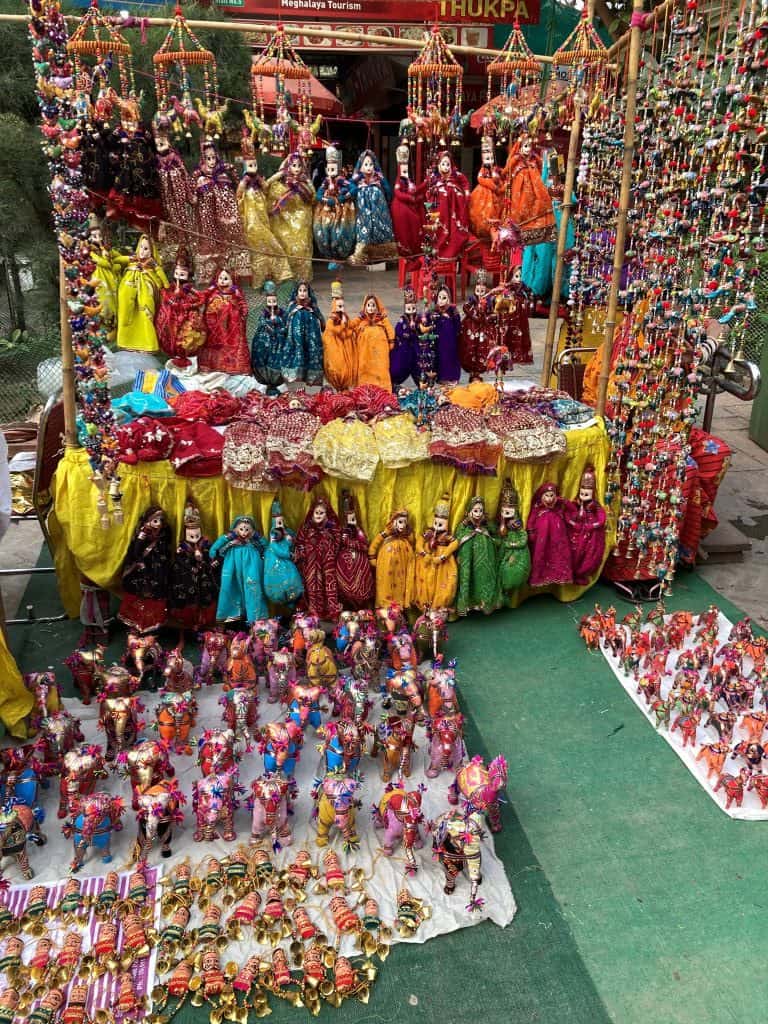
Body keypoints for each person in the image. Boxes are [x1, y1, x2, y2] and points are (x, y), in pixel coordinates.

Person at [236, 137, 292, 288]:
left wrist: (278, 174)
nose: (253, 167)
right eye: (250, 165)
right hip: (252, 224)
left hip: (263, 220)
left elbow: (267, 188)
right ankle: (259, 279)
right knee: (258, 250)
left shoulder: (259, 183)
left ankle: (277, 274)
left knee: (270, 246)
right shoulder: (244, 185)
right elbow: (238, 198)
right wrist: (243, 184)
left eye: (254, 164)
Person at [118, 506, 173, 632]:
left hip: (158, 569)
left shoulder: (163, 533)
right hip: (143, 569)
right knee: (141, 595)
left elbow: (167, 547)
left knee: (156, 594)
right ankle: (137, 622)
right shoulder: (143, 533)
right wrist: (140, 561)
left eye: (160, 520)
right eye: (155, 521)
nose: (158, 524)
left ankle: (153, 622)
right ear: (148, 521)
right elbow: (136, 550)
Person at [267, 151, 316, 281]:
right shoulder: (281, 185)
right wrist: (279, 174)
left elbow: (313, 196)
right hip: (284, 222)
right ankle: (286, 275)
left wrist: (307, 183)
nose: (297, 169)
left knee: (302, 247)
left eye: (299, 166)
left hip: (301, 220)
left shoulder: (304, 182)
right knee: (284, 246)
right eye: (294, 165)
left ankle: (301, 277)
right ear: (288, 166)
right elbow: (266, 186)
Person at [210, 515, 268, 624]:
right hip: (233, 567)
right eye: (241, 529)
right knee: (231, 588)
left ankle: (256, 621)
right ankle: (231, 620)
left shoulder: (253, 542)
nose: (244, 532)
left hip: (252, 567)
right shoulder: (231, 541)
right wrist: (228, 537)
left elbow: (266, 546)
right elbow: (216, 547)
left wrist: (257, 536)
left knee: (253, 589)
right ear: (236, 529)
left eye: (247, 529)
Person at [168, 501, 217, 630]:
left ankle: (205, 620)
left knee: (207, 594)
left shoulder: (205, 542)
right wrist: (190, 565)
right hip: (188, 574)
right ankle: (190, 622)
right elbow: (179, 559)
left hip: (204, 573)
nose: (195, 538)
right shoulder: (183, 546)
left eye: (197, 535)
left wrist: (208, 560)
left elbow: (211, 554)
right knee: (188, 596)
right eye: (191, 535)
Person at [116, 234, 169, 353]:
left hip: (146, 295)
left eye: (146, 249)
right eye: (141, 247)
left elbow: (164, 283)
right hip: (128, 295)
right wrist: (129, 259)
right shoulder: (132, 263)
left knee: (145, 314)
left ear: (152, 252)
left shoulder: (152, 267)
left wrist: (154, 266)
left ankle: (148, 344)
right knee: (125, 314)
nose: (142, 252)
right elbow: (116, 260)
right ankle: (125, 341)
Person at [294, 496, 342, 620]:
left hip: (328, 562)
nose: (319, 515)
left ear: (326, 514)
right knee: (312, 585)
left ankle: (332, 611)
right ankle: (315, 611)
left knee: (330, 584)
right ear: (312, 513)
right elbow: (299, 542)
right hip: (311, 563)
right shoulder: (306, 527)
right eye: (317, 512)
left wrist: (331, 553)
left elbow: (338, 542)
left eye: (322, 513)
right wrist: (303, 554)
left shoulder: (332, 528)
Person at [348, 149, 398, 265]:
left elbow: (388, 191)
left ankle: (384, 253)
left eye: (371, 164)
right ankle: (362, 254)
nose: (369, 167)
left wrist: (387, 199)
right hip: (363, 212)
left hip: (378, 210)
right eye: (366, 164)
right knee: (363, 230)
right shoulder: (357, 179)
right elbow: (350, 188)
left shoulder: (379, 178)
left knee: (382, 228)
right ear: (361, 166)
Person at [199, 268, 250, 375]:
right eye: (220, 278)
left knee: (230, 348)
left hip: (232, 330)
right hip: (214, 329)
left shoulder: (236, 294)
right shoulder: (213, 292)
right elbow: (202, 298)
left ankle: (233, 367)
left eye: (226, 279)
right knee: (213, 348)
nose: (222, 281)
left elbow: (243, 309)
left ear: (233, 281)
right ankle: (211, 366)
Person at [414, 493, 459, 613]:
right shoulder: (428, 532)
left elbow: (455, 543)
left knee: (442, 583)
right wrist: (424, 553)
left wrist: (444, 556)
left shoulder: (446, 536)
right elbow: (419, 542)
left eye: (441, 524)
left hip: (442, 563)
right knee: (426, 582)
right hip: (428, 560)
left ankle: (438, 607)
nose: (437, 527)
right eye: (436, 523)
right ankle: (426, 607)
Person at [456, 496, 500, 616]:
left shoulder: (487, 523)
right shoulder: (464, 524)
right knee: (468, 577)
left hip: (485, 559)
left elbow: (496, 535)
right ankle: (468, 604)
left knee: (484, 579)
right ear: (469, 511)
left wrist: (486, 532)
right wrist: (471, 533)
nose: (478, 514)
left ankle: (484, 603)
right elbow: (458, 536)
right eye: (475, 511)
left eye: (480, 511)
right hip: (469, 558)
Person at [564, 466, 607, 586]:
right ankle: (572, 573)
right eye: (582, 493)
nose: (583, 495)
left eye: (586, 493)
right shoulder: (576, 503)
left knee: (588, 553)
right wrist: (572, 523)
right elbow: (567, 514)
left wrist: (593, 525)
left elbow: (602, 518)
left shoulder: (595, 505)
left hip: (589, 533)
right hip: (576, 532)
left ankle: (581, 573)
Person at [424, 151, 471, 260]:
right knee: (438, 224)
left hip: (454, 206)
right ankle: (438, 248)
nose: (445, 167)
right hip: (440, 207)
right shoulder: (435, 177)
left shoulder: (455, 175)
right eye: (443, 164)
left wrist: (466, 193)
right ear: (439, 165)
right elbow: (428, 187)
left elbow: (465, 182)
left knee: (454, 227)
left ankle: (452, 249)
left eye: (448, 164)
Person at [526, 482, 573, 587]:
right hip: (542, 540)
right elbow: (531, 520)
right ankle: (540, 578)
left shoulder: (558, 506)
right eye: (546, 496)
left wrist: (562, 500)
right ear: (541, 496)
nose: (549, 499)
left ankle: (559, 577)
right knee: (541, 555)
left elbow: (572, 509)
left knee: (558, 556)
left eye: (552, 495)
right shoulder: (538, 507)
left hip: (558, 539)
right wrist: (531, 532)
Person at [313, 144, 356, 260]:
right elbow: (318, 195)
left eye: (334, 169)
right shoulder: (326, 181)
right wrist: (325, 200)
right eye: (329, 169)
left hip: (341, 208)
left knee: (340, 229)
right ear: (326, 169)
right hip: (327, 208)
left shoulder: (341, 180)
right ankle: (328, 251)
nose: (331, 172)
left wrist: (342, 198)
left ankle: (339, 252)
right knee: (323, 227)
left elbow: (353, 189)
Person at [368, 508, 415, 610]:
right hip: (387, 565)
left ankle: (398, 608)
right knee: (386, 584)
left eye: (404, 522)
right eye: (400, 522)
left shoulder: (406, 535)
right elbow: (374, 544)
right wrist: (372, 559)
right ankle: (385, 607)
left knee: (400, 584)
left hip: (402, 566)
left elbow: (412, 541)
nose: (402, 525)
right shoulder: (387, 533)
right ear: (394, 522)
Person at [493, 479, 531, 604]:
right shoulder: (503, 523)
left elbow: (523, 538)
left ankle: (508, 592)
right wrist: (503, 521)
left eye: (508, 511)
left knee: (510, 571)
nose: (505, 514)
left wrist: (512, 545)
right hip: (505, 550)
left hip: (516, 552)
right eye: (503, 511)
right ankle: (502, 594)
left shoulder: (517, 523)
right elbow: (502, 533)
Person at [281, 280, 325, 385]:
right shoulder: (292, 306)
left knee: (311, 352)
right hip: (297, 338)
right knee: (298, 353)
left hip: (310, 336)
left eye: (305, 290)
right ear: (296, 292)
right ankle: (297, 377)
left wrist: (324, 326)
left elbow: (320, 317)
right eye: (300, 290)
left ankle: (310, 377)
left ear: (308, 292)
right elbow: (285, 318)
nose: (302, 293)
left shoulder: (312, 306)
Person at [337, 491, 375, 609]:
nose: (351, 522)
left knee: (361, 583)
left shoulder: (358, 532)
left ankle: (362, 606)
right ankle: (349, 605)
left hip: (359, 562)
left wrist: (351, 540)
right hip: (344, 562)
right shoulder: (342, 532)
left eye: (352, 519)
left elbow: (364, 545)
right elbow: (339, 542)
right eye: (348, 519)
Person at [263, 498, 304, 607]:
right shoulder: (274, 534)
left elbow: (293, 542)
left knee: (292, 580)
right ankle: (285, 600)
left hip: (287, 561)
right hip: (278, 560)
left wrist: (288, 537)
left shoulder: (286, 532)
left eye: (281, 521)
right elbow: (274, 547)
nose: (280, 524)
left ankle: (293, 603)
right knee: (281, 581)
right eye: (278, 522)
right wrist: (288, 554)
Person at [351, 295, 395, 390]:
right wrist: (359, 318)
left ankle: (382, 389)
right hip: (364, 353)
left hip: (380, 353)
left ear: (377, 307)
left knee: (381, 369)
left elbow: (390, 330)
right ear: (365, 307)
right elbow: (351, 326)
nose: (371, 308)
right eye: (369, 305)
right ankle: (363, 389)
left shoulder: (382, 319)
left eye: (373, 305)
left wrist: (391, 341)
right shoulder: (361, 320)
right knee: (364, 369)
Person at [251, 281, 288, 391]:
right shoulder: (264, 313)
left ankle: (277, 381)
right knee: (261, 354)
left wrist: (277, 320)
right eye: (269, 301)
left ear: (277, 301)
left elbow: (285, 324)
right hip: (264, 339)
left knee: (277, 358)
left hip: (278, 339)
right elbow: (262, 322)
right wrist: (268, 323)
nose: (272, 303)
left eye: (274, 301)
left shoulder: (281, 312)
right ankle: (264, 381)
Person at [322, 280, 356, 391]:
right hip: (334, 345)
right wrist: (343, 325)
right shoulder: (332, 318)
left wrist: (351, 326)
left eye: (342, 306)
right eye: (339, 306)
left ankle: (345, 387)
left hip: (345, 344)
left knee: (347, 366)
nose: (341, 308)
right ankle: (338, 385)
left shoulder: (344, 316)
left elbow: (350, 327)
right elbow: (333, 329)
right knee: (336, 366)